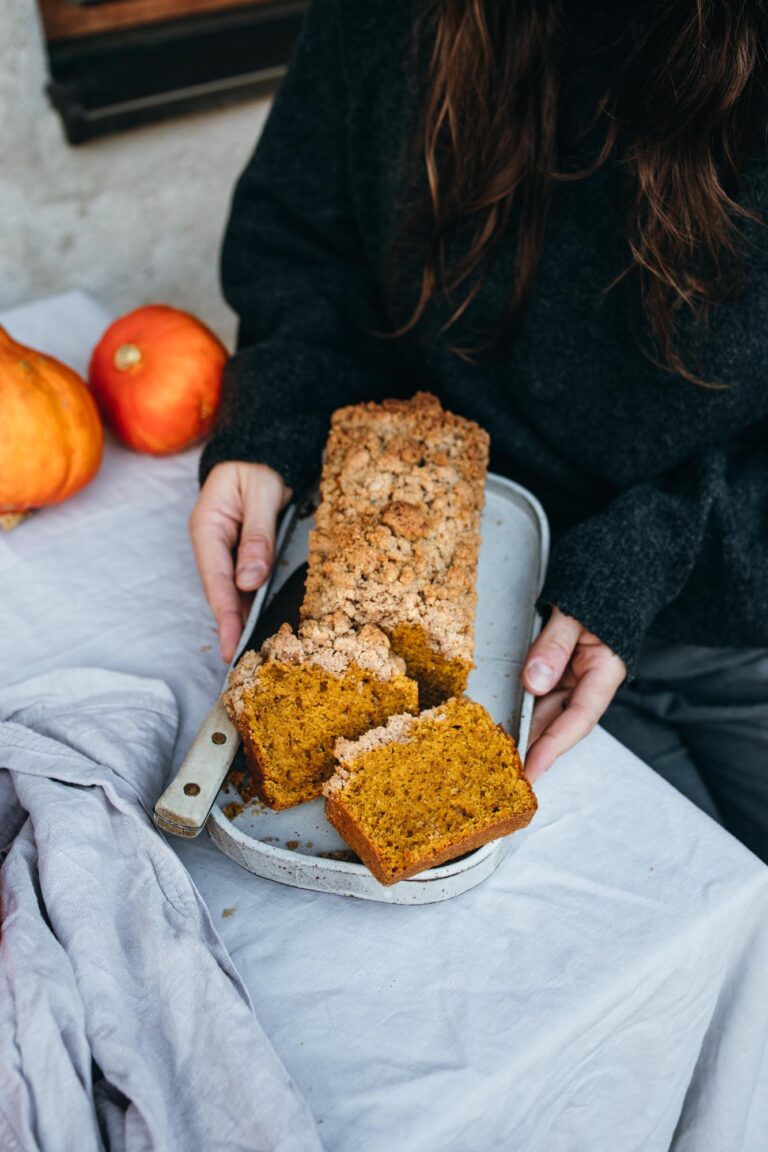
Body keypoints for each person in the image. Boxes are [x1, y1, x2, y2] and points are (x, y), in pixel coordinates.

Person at [189, 0, 768, 861]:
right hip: (491, 636)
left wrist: (660, 548)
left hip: (735, 614)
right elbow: (307, 243)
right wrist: (275, 412)